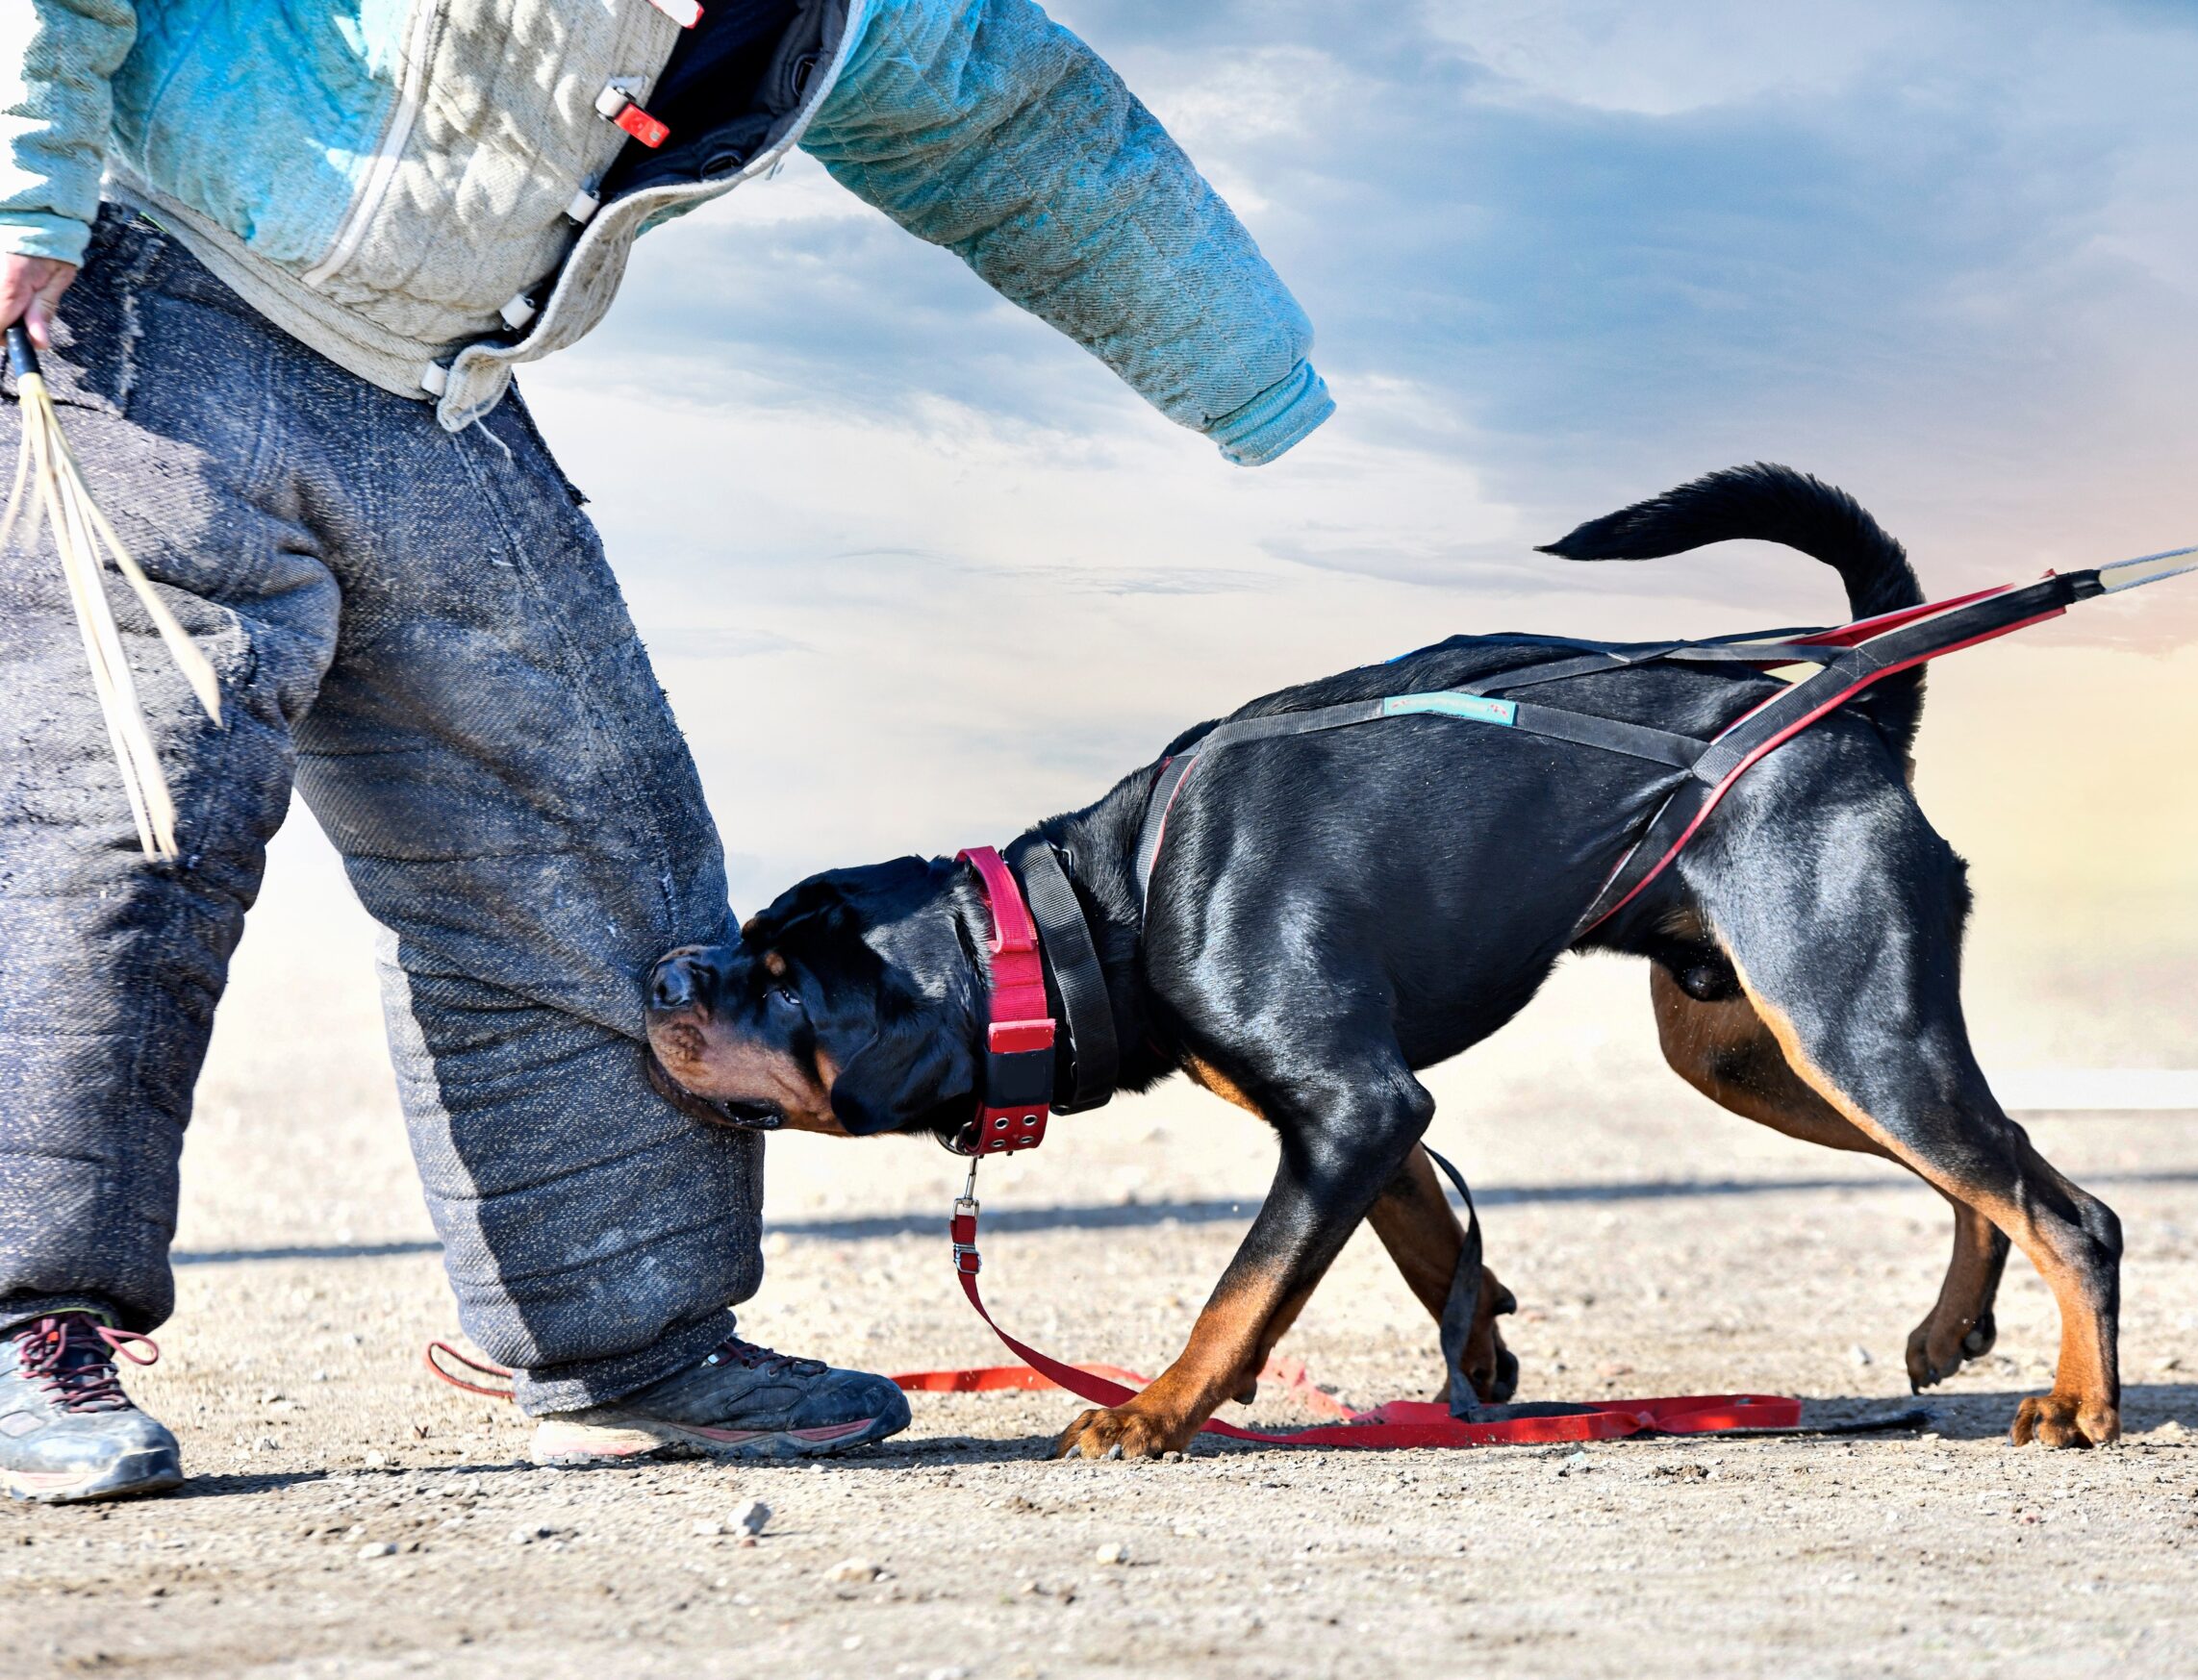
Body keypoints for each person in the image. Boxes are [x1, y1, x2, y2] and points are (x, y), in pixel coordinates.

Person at [0, 0, 1333, 1503]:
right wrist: (17, 183)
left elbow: (1007, 124)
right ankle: (17, 1326)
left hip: (442, 395)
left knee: (598, 862)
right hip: (142, 310)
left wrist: (1253, 376)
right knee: (117, 827)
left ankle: (627, 1344)